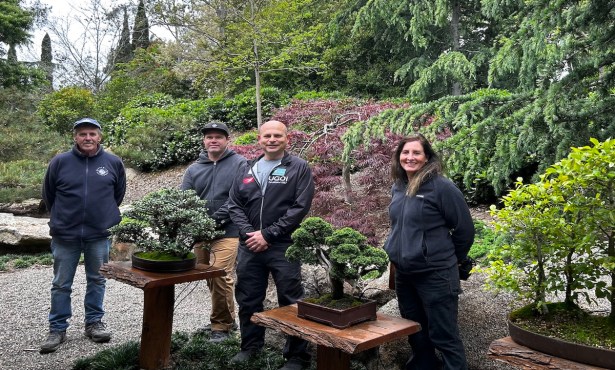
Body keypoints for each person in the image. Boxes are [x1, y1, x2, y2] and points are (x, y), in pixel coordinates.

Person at [228, 120, 315, 370]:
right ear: (259, 139)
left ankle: (298, 357)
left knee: (290, 299)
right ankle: (250, 346)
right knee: (248, 297)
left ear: (287, 139)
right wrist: (249, 234)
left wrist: (268, 234)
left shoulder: (298, 167)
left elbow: (300, 207)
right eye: (267, 135)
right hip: (249, 246)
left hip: (283, 245)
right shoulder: (247, 167)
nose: (272, 139)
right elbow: (234, 203)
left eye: (278, 135)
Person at [385, 133, 474, 370]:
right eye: (405, 152)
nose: (410, 157)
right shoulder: (399, 186)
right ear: (399, 156)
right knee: (415, 331)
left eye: (416, 152)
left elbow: (464, 230)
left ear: (426, 158)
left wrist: (445, 259)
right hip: (405, 274)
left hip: (435, 274)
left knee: (444, 336)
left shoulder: (442, 187)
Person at [40, 118, 126, 354]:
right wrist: (63, 218)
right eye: (82, 134)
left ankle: (94, 323)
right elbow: (49, 194)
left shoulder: (112, 162)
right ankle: (57, 328)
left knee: (97, 279)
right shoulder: (60, 162)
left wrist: (101, 217)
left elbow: (118, 194)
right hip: (65, 234)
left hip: (98, 234)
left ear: (99, 137)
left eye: (92, 134)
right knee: (60, 284)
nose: (87, 138)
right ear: (75, 137)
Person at [180, 121, 247, 343]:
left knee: (219, 273)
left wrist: (214, 220)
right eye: (209, 137)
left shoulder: (240, 164)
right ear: (204, 141)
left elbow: (238, 197)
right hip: (201, 233)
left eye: (218, 136)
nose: (213, 140)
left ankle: (221, 325)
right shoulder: (194, 169)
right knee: (209, 276)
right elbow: (186, 199)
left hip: (228, 231)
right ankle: (228, 319)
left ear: (227, 140)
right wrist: (196, 224)